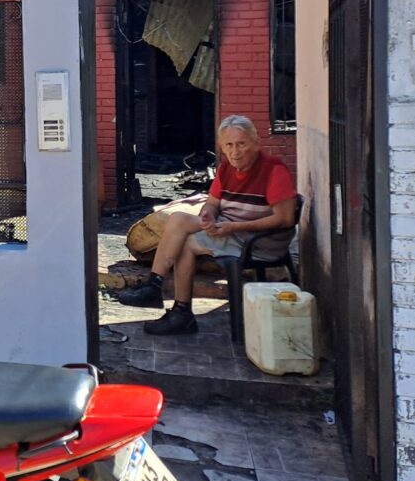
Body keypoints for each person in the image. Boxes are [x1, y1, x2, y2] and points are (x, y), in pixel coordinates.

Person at [116, 115, 298, 336]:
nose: (235, 151)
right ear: (222, 147)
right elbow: (211, 204)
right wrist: (207, 217)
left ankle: (176, 308)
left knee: (185, 243)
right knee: (179, 220)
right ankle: (157, 289)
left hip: (260, 240)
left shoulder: (273, 170)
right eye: (229, 145)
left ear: (255, 142)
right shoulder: (226, 169)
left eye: (241, 144)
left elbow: (285, 219)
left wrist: (233, 228)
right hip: (230, 229)